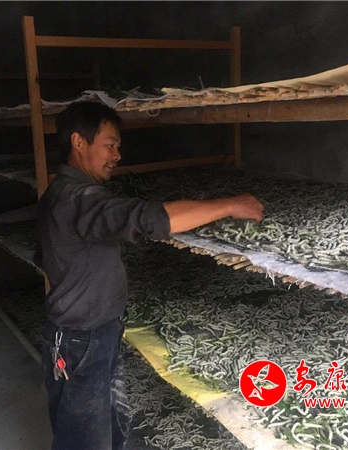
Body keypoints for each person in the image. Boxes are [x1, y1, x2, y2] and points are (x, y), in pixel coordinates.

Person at [36, 101, 263, 450]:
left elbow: (44, 257)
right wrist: (230, 205)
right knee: (84, 439)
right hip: (82, 337)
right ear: (78, 142)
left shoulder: (59, 192)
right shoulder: (78, 198)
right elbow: (148, 219)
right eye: (110, 144)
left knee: (103, 427)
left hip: (87, 332)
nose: (117, 155)